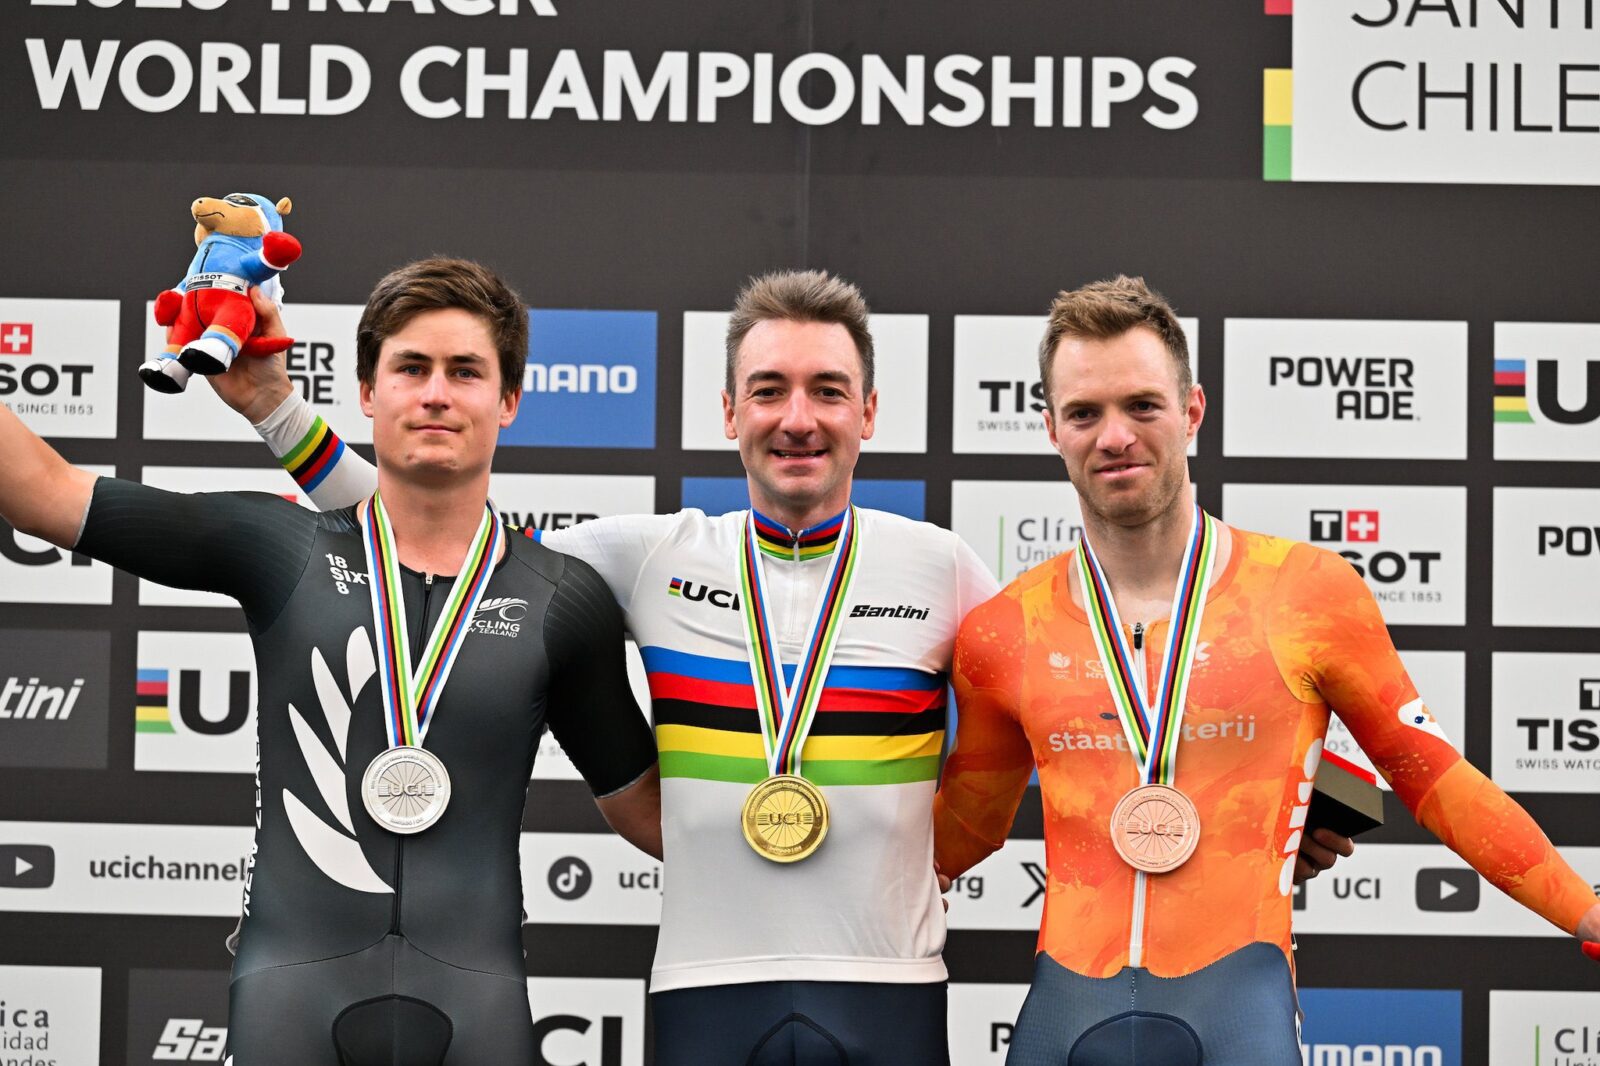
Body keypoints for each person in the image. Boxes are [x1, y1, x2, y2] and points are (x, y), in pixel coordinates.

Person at [218, 268, 1350, 1065]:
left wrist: (1260, 808)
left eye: (825, 390)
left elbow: (1093, 702)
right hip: (704, 995)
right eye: (768, 390)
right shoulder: (648, 555)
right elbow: (428, 535)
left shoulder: (944, 568)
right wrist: (275, 411)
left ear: (870, 412)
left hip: (892, 996)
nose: (796, 418)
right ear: (729, 412)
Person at [0, 257, 662, 1066]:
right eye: (411, 368)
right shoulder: (281, 548)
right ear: (367, 392)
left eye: (465, 371)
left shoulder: (562, 597)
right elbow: (43, 492)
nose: (436, 394)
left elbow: (650, 814)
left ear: (509, 400)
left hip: (477, 1000)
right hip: (293, 995)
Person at [932, 275, 1600, 1066]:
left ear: (1192, 411)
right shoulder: (1004, 631)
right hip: (1065, 1019)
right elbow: (963, 832)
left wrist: (1586, 913)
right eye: (1085, 413)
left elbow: (1436, 778)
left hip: (1238, 1016)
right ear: (1051, 428)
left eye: (1142, 405)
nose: (1114, 436)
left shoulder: (1305, 593)